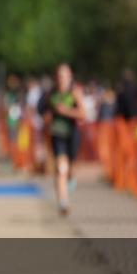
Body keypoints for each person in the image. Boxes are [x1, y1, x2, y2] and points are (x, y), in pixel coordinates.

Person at [42, 64, 86, 216]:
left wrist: (66, 111)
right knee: (61, 168)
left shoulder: (75, 93)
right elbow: (44, 113)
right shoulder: (51, 94)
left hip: (72, 134)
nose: (61, 79)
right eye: (59, 76)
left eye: (64, 75)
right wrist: (47, 120)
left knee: (70, 169)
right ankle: (63, 201)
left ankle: (70, 180)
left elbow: (83, 114)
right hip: (57, 135)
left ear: (70, 76)